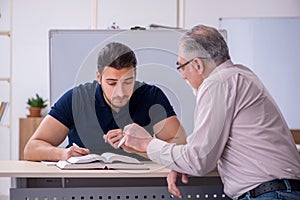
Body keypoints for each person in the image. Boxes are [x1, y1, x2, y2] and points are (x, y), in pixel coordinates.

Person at [120, 25, 300, 200]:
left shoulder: (217, 83)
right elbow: (201, 151)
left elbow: (199, 160)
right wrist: (179, 162)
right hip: (277, 190)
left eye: (181, 66)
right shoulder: (239, 76)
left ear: (197, 64)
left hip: (268, 193)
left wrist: (146, 144)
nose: (183, 75)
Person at [24, 42, 186, 161]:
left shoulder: (151, 96)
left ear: (135, 76)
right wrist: (62, 154)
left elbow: (180, 146)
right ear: (99, 78)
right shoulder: (77, 98)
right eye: (112, 83)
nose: (120, 92)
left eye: (128, 82)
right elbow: (31, 148)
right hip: (81, 183)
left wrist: (143, 144)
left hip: (137, 182)